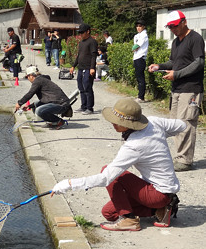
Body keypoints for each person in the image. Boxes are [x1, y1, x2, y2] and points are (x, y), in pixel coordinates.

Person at [51, 98, 186, 231]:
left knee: (110, 173)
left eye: (117, 121)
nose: (113, 123)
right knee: (109, 213)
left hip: (158, 193)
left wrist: (68, 184)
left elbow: (105, 178)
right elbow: (182, 125)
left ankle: (129, 220)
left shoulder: (134, 145)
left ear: (130, 124)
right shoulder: (154, 122)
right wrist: (159, 135)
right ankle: (160, 209)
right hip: (158, 191)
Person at [148, 10, 205, 172]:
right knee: (176, 124)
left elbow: (199, 63)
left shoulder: (195, 39)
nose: (172, 29)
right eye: (170, 27)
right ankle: (180, 156)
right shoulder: (176, 42)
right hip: (177, 88)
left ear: (184, 22)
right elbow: (173, 61)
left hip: (191, 89)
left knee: (186, 123)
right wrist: (160, 66)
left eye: (174, 26)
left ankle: (185, 160)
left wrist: (177, 74)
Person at [70, 23, 98, 115]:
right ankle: (83, 106)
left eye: (82, 32)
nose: (80, 34)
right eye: (80, 33)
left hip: (88, 68)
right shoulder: (81, 43)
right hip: (81, 68)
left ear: (88, 31)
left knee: (87, 87)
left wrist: (92, 68)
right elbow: (79, 56)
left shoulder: (92, 42)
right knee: (81, 87)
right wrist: (73, 66)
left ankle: (90, 108)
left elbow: (94, 56)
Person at [133, 20, 149, 103]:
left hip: (141, 57)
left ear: (144, 26)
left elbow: (136, 46)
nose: (138, 27)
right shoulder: (137, 35)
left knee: (141, 78)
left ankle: (141, 97)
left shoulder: (144, 35)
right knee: (138, 78)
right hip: (136, 57)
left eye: (140, 26)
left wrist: (134, 48)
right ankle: (139, 95)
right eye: (137, 26)